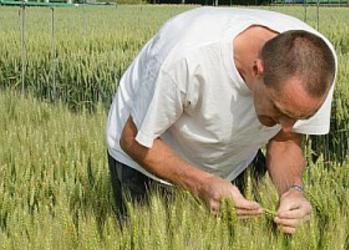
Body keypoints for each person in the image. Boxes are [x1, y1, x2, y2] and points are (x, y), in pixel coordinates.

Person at [105, 7, 336, 235]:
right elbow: (133, 139)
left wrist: (292, 190)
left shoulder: (317, 67)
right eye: (280, 110)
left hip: (233, 162)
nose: (287, 126)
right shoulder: (185, 59)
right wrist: (202, 184)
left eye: (301, 117)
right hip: (148, 154)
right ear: (258, 70)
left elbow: (286, 140)